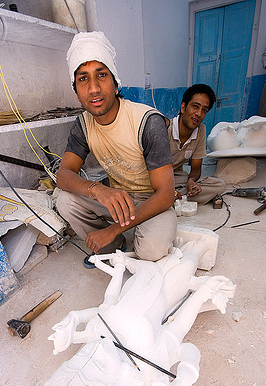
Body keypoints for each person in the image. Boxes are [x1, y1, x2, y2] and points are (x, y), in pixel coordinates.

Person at [56, 31, 177, 267]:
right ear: (75, 89)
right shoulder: (83, 125)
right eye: (83, 79)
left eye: (101, 75)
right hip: (117, 198)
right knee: (65, 200)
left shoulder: (147, 121)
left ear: (114, 80)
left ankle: (117, 235)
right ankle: (113, 246)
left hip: (152, 201)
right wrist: (98, 190)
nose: (93, 88)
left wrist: (111, 229)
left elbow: (166, 194)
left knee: (152, 250)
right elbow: (63, 175)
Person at [168, 84, 226, 204]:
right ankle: (169, 197)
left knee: (219, 185)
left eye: (204, 110)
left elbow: (196, 169)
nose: (199, 114)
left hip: (176, 178)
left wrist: (191, 181)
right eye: (195, 106)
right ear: (183, 107)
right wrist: (167, 189)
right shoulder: (164, 128)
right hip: (153, 178)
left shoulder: (200, 130)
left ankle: (173, 198)